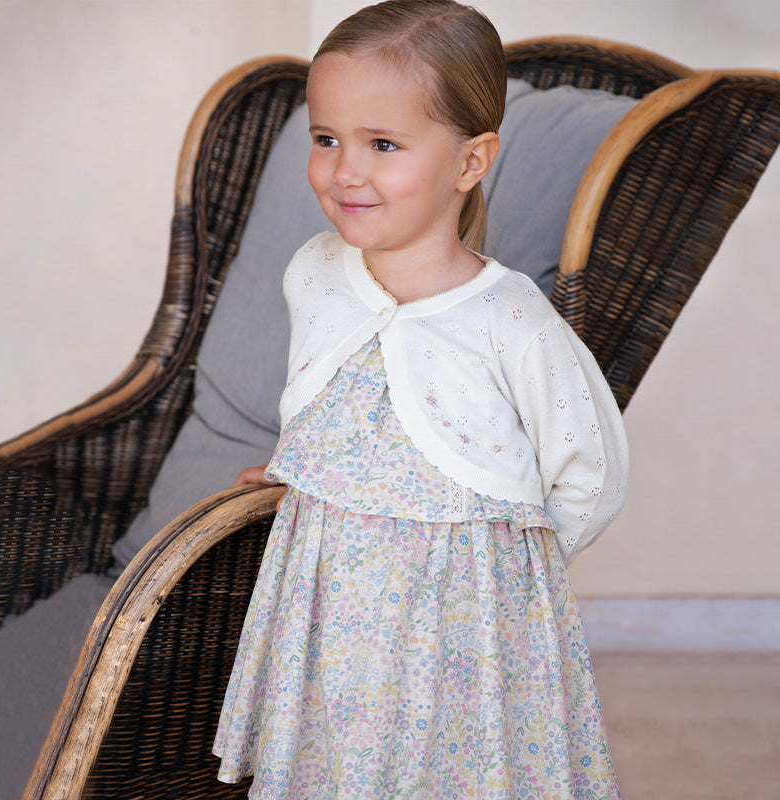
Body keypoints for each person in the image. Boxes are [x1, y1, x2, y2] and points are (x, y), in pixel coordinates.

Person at [213, 1, 628, 797]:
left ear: (471, 161)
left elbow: (592, 471)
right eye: (326, 138)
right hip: (330, 612)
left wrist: (511, 574)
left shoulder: (509, 320)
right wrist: (307, 471)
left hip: (459, 623)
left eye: (383, 144)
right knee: (335, 769)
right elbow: (324, 394)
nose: (345, 171)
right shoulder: (315, 272)